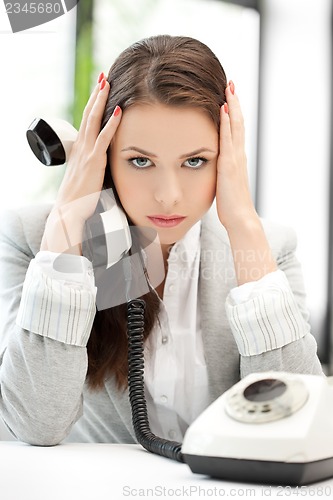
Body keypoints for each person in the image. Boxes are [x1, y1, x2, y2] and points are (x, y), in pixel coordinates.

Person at [0, 34, 323, 446]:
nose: (168, 194)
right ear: (100, 157)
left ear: (227, 158)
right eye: (140, 160)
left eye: (195, 161)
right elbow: (35, 425)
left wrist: (243, 223)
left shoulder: (269, 249)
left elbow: (300, 425)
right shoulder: (32, 241)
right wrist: (67, 226)